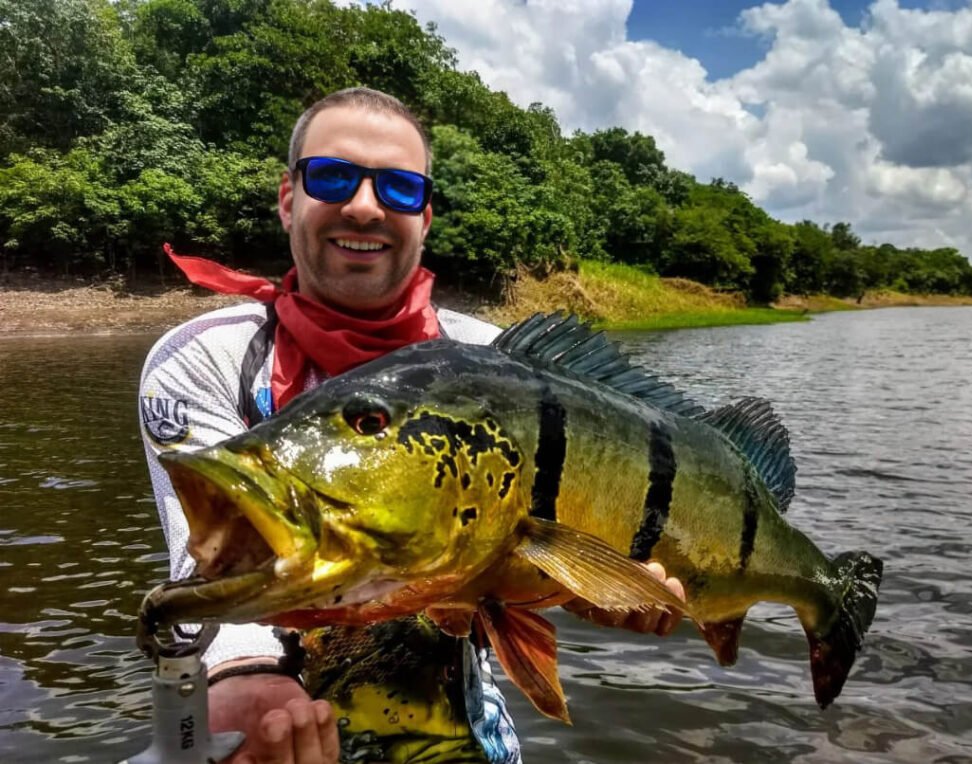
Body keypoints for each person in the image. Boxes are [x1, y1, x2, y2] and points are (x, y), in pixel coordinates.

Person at [139, 87, 685, 764]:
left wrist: (598, 589)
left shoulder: (493, 361)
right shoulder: (202, 362)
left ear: (425, 216)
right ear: (288, 199)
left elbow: (518, 563)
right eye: (333, 177)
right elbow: (213, 569)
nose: (365, 205)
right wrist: (243, 676)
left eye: (398, 189)